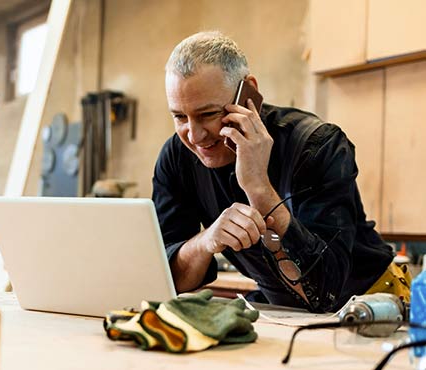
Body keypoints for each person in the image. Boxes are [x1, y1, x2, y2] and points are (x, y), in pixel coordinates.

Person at [152, 31, 406, 313]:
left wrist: (259, 188)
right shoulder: (176, 158)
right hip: (285, 308)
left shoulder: (317, 145)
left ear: (248, 92)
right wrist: (205, 242)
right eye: (179, 117)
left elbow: (325, 292)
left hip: (371, 301)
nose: (195, 136)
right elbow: (165, 277)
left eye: (208, 114)